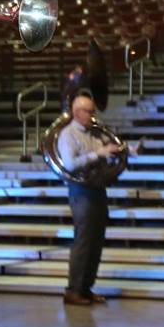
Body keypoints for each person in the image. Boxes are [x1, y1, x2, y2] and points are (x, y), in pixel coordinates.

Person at [57, 93, 125, 305]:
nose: (93, 116)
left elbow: (105, 151)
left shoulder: (94, 134)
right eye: (89, 112)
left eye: (93, 111)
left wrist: (119, 151)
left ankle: (86, 287)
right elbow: (70, 164)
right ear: (77, 113)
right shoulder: (68, 135)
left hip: (97, 188)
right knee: (84, 240)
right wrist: (99, 154)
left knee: (96, 241)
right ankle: (74, 289)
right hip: (81, 191)